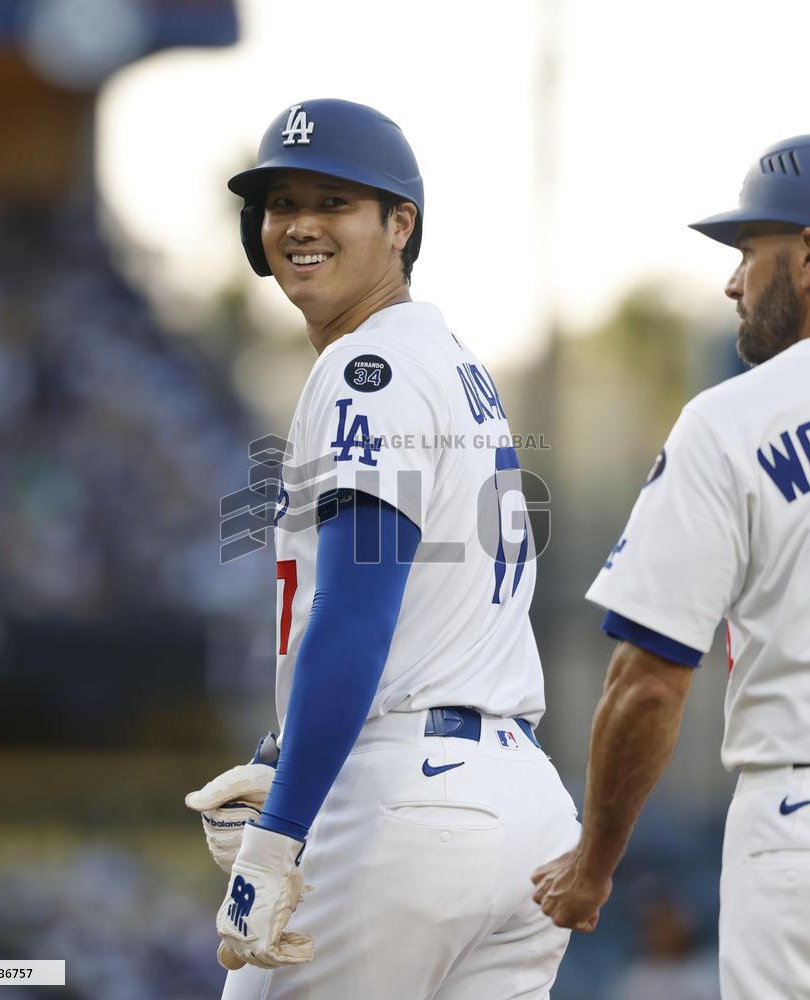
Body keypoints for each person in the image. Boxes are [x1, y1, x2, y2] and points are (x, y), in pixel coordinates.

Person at [187, 99, 579, 1000]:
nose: (300, 225)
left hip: (408, 801)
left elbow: (356, 612)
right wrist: (288, 753)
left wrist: (280, 833)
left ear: (400, 225)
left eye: (334, 202)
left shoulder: (369, 367)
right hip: (519, 800)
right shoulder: (450, 362)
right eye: (281, 204)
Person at [530, 132, 810, 999]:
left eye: (749, 251)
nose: (732, 282)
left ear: (809, 253)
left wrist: (593, 865)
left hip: (809, 825)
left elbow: (646, 683)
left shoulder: (732, 418)